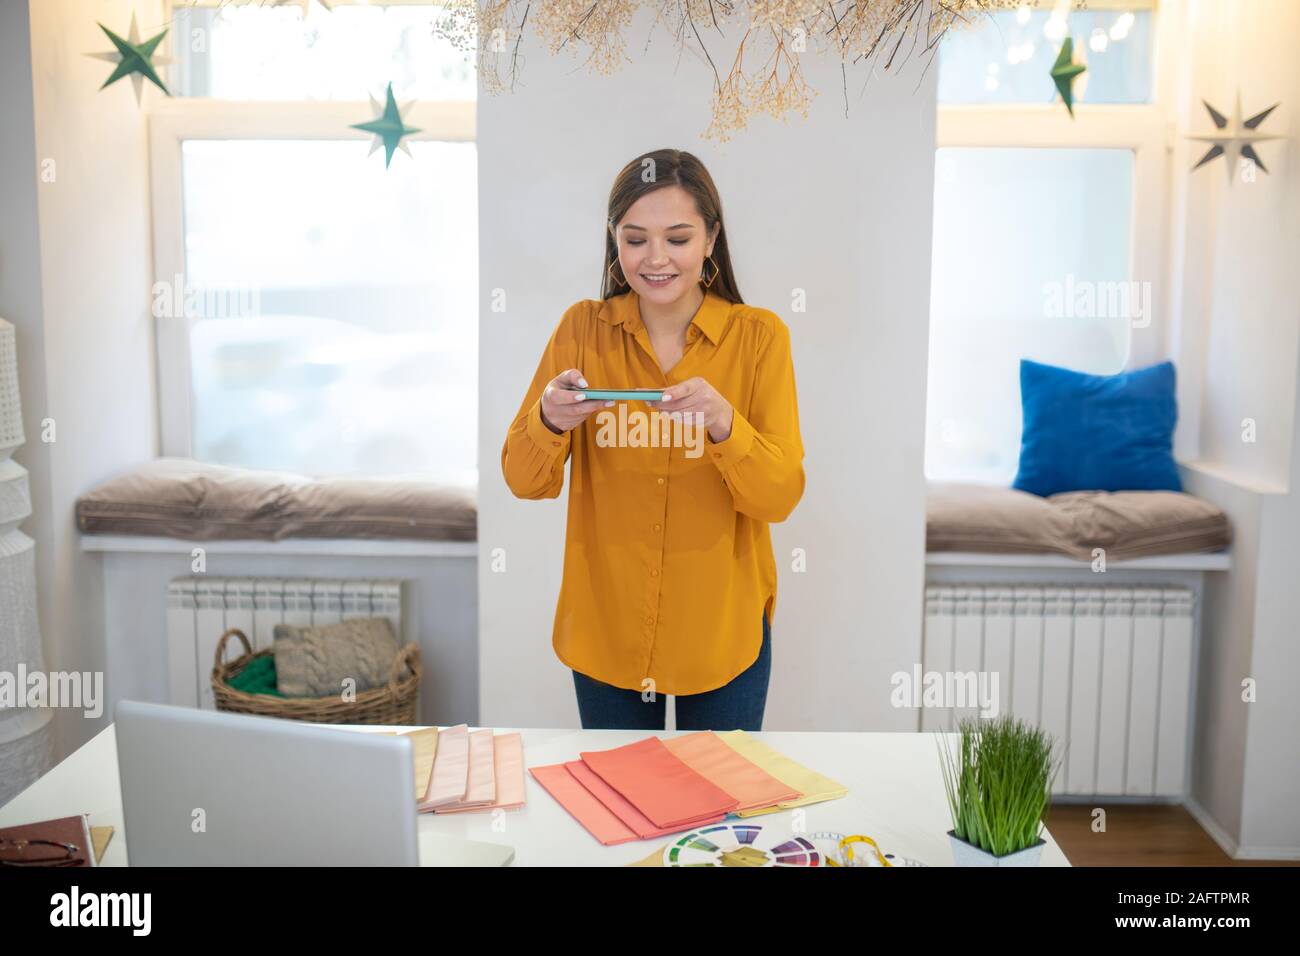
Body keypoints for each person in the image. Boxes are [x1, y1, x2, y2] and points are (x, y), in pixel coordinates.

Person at [501, 148, 804, 731]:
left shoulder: (760, 337)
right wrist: (549, 420)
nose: (656, 258)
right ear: (614, 241)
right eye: (636, 239)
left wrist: (724, 424)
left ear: (711, 239)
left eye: (679, 238)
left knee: (717, 813)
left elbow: (779, 496)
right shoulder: (581, 330)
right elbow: (522, 480)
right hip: (606, 628)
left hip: (723, 632)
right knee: (623, 813)